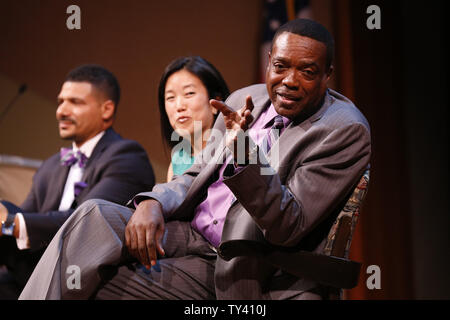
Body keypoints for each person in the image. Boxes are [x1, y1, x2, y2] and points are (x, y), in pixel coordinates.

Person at [20, 19, 371, 300]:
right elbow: (194, 173)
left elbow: (287, 225)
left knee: (97, 282)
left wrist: (244, 151)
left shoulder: (343, 130)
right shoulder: (246, 97)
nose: (289, 81)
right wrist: (153, 202)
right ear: (270, 63)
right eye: (280, 66)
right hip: (187, 230)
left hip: (236, 257)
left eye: (308, 72)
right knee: (92, 216)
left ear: (328, 75)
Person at [0, 64, 155, 299]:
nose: (60, 110)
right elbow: (25, 216)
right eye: (61, 101)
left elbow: (86, 223)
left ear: (106, 109)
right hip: (34, 272)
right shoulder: (51, 165)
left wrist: (9, 222)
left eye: (75, 102)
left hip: (88, 279)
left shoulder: (127, 156)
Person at [158, 56, 229, 181]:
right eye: (170, 97)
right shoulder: (177, 162)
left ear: (216, 102)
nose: (179, 106)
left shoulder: (233, 153)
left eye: (189, 93)